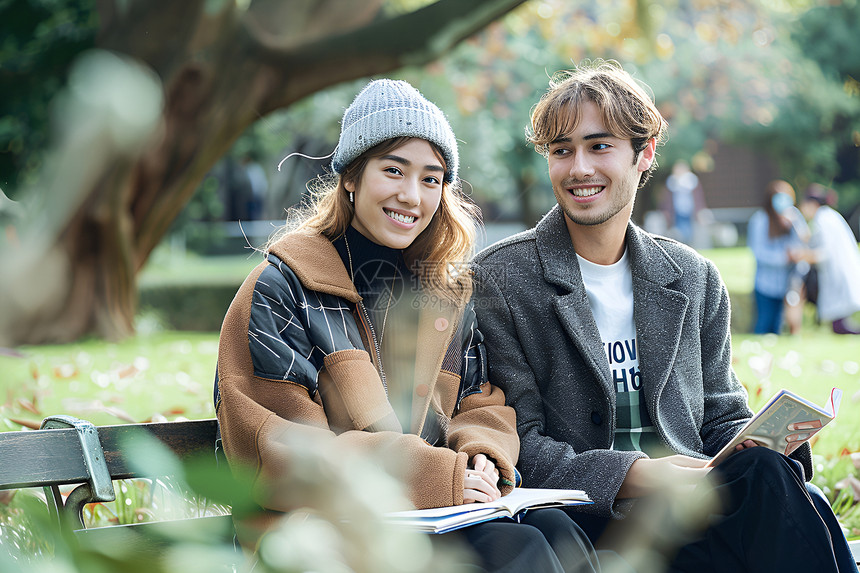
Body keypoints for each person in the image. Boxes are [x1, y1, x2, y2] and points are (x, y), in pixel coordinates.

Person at [473, 60, 857, 572]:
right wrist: (642, 474)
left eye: (599, 146)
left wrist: (769, 438)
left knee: (767, 470)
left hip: (694, 509)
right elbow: (521, 446)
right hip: (582, 517)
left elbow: (721, 416)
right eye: (561, 151)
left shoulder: (692, 277)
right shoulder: (501, 280)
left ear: (644, 153)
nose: (579, 168)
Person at [214, 78, 600, 572]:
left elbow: (480, 402)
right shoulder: (283, 287)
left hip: (422, 518)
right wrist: (439, 475)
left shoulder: (441, 295)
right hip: (314, 532)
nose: (411, 196)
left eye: (431, 179)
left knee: (557, 531)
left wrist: (482, 455)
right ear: (351, 176)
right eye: (393, 170)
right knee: (516, 550)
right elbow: (282, 447)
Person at [796, 184, 860, 335]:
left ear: (812, 204)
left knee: (839, 324)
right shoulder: (829, 216)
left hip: (837, 273)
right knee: (838, 322)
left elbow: (825, 252)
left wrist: (804, 255)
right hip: (839, 271)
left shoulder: (823, 219)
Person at [746, 180, 808, 334]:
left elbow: (804, 241)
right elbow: (758, 252)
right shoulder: (760, 220)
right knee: (764, 324)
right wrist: (783, 259)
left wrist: (794, 223)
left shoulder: (793, 216)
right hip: (765, 284)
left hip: (788, 284)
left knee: (780, 327)